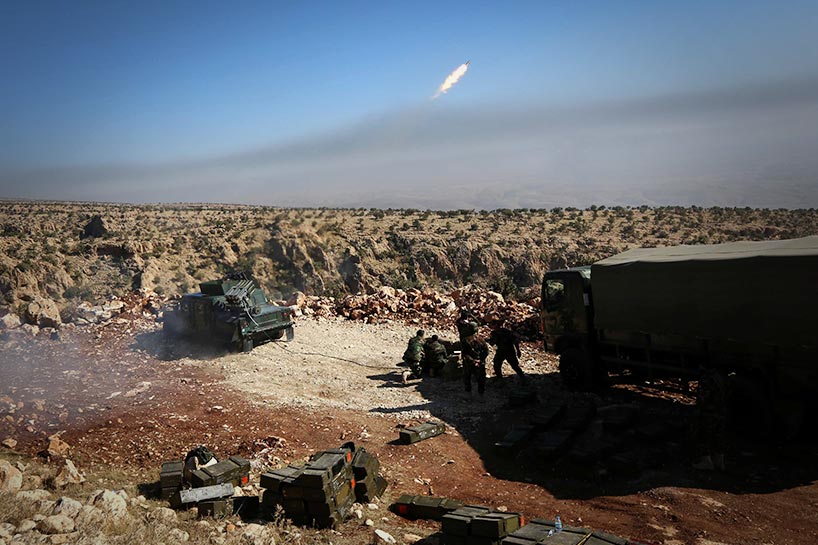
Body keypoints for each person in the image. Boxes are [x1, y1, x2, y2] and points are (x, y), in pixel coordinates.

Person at [692, 365, 729, 471]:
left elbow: (703, 397)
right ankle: (719, 461)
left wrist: (697, 412)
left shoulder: (706, 378)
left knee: (704, 435)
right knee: (718, 436)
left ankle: (706, 462)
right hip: (721, 411)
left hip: (709, 412)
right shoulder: (721, 377)